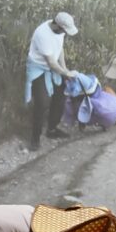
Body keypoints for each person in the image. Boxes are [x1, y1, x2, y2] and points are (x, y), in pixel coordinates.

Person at [25, 12, 79, 150]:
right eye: (64, 30)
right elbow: (50, 63)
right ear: (57, 25)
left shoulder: (59, 30)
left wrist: (65, 69)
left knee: (61, 95)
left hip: (52, 66)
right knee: (42, 103)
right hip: (38, 68)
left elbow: (60, 49)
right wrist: (66, 73)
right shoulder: (43, 34)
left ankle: (52, 129)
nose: (65, 33)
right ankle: (34, 139)